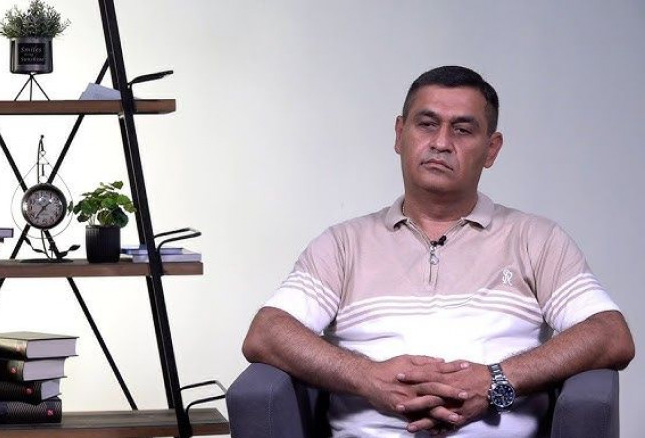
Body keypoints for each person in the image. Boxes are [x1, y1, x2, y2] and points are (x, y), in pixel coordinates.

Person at [242, 65, 635, 437]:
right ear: (400, 134)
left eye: (462, 130)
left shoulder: (536, 239)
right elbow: (268, 333)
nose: (442, 143)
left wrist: (495, 380)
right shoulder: (343, 244)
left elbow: (609, 334)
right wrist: (368, 377)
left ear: (491, 149)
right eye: (427, 124)